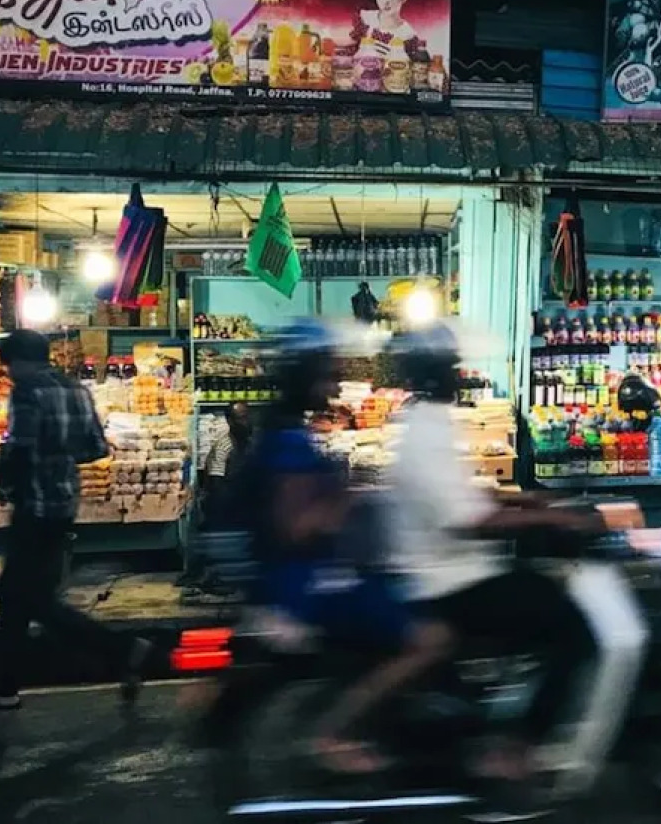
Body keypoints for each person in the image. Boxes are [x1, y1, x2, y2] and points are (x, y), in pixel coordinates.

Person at [385, 324, 597, 783]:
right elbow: (468, 519)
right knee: (569, 626)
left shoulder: (428, 421)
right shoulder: (426, 432)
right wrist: (551, 519)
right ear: (437, 373)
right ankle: (514, 748)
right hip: (448, 577)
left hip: (452, 567)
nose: (460, 374)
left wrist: (524, 500)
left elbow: (462, 496)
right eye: (451, 366)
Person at [247, 322, 449, 776]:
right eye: (328, 374)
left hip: (311, 573)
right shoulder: (290, 444)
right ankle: (333, 731)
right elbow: (300, 526)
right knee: (430, 640)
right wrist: (355, 499)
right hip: (309, 584)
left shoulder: (285, 431)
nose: (336, 384)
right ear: (305, 377)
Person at [0, 330, 151, 712]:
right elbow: (96, 447)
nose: (8, 373)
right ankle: (4, 688)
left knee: (31, 601)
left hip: (34, 506)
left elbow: (21, 450)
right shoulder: (76, 390)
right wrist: (60, 453)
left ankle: (124, 650)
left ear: (20, 362)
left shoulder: (27, 391)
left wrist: (2, 470)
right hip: (65, 505)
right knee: (20, 600)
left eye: (9, 365)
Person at [182, 402, 254, 590]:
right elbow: (216, 484)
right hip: (221, 502)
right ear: (229, 422)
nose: (245, 423)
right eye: (240, 419)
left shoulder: (248, 443)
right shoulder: (224, 446)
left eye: (247, 417)